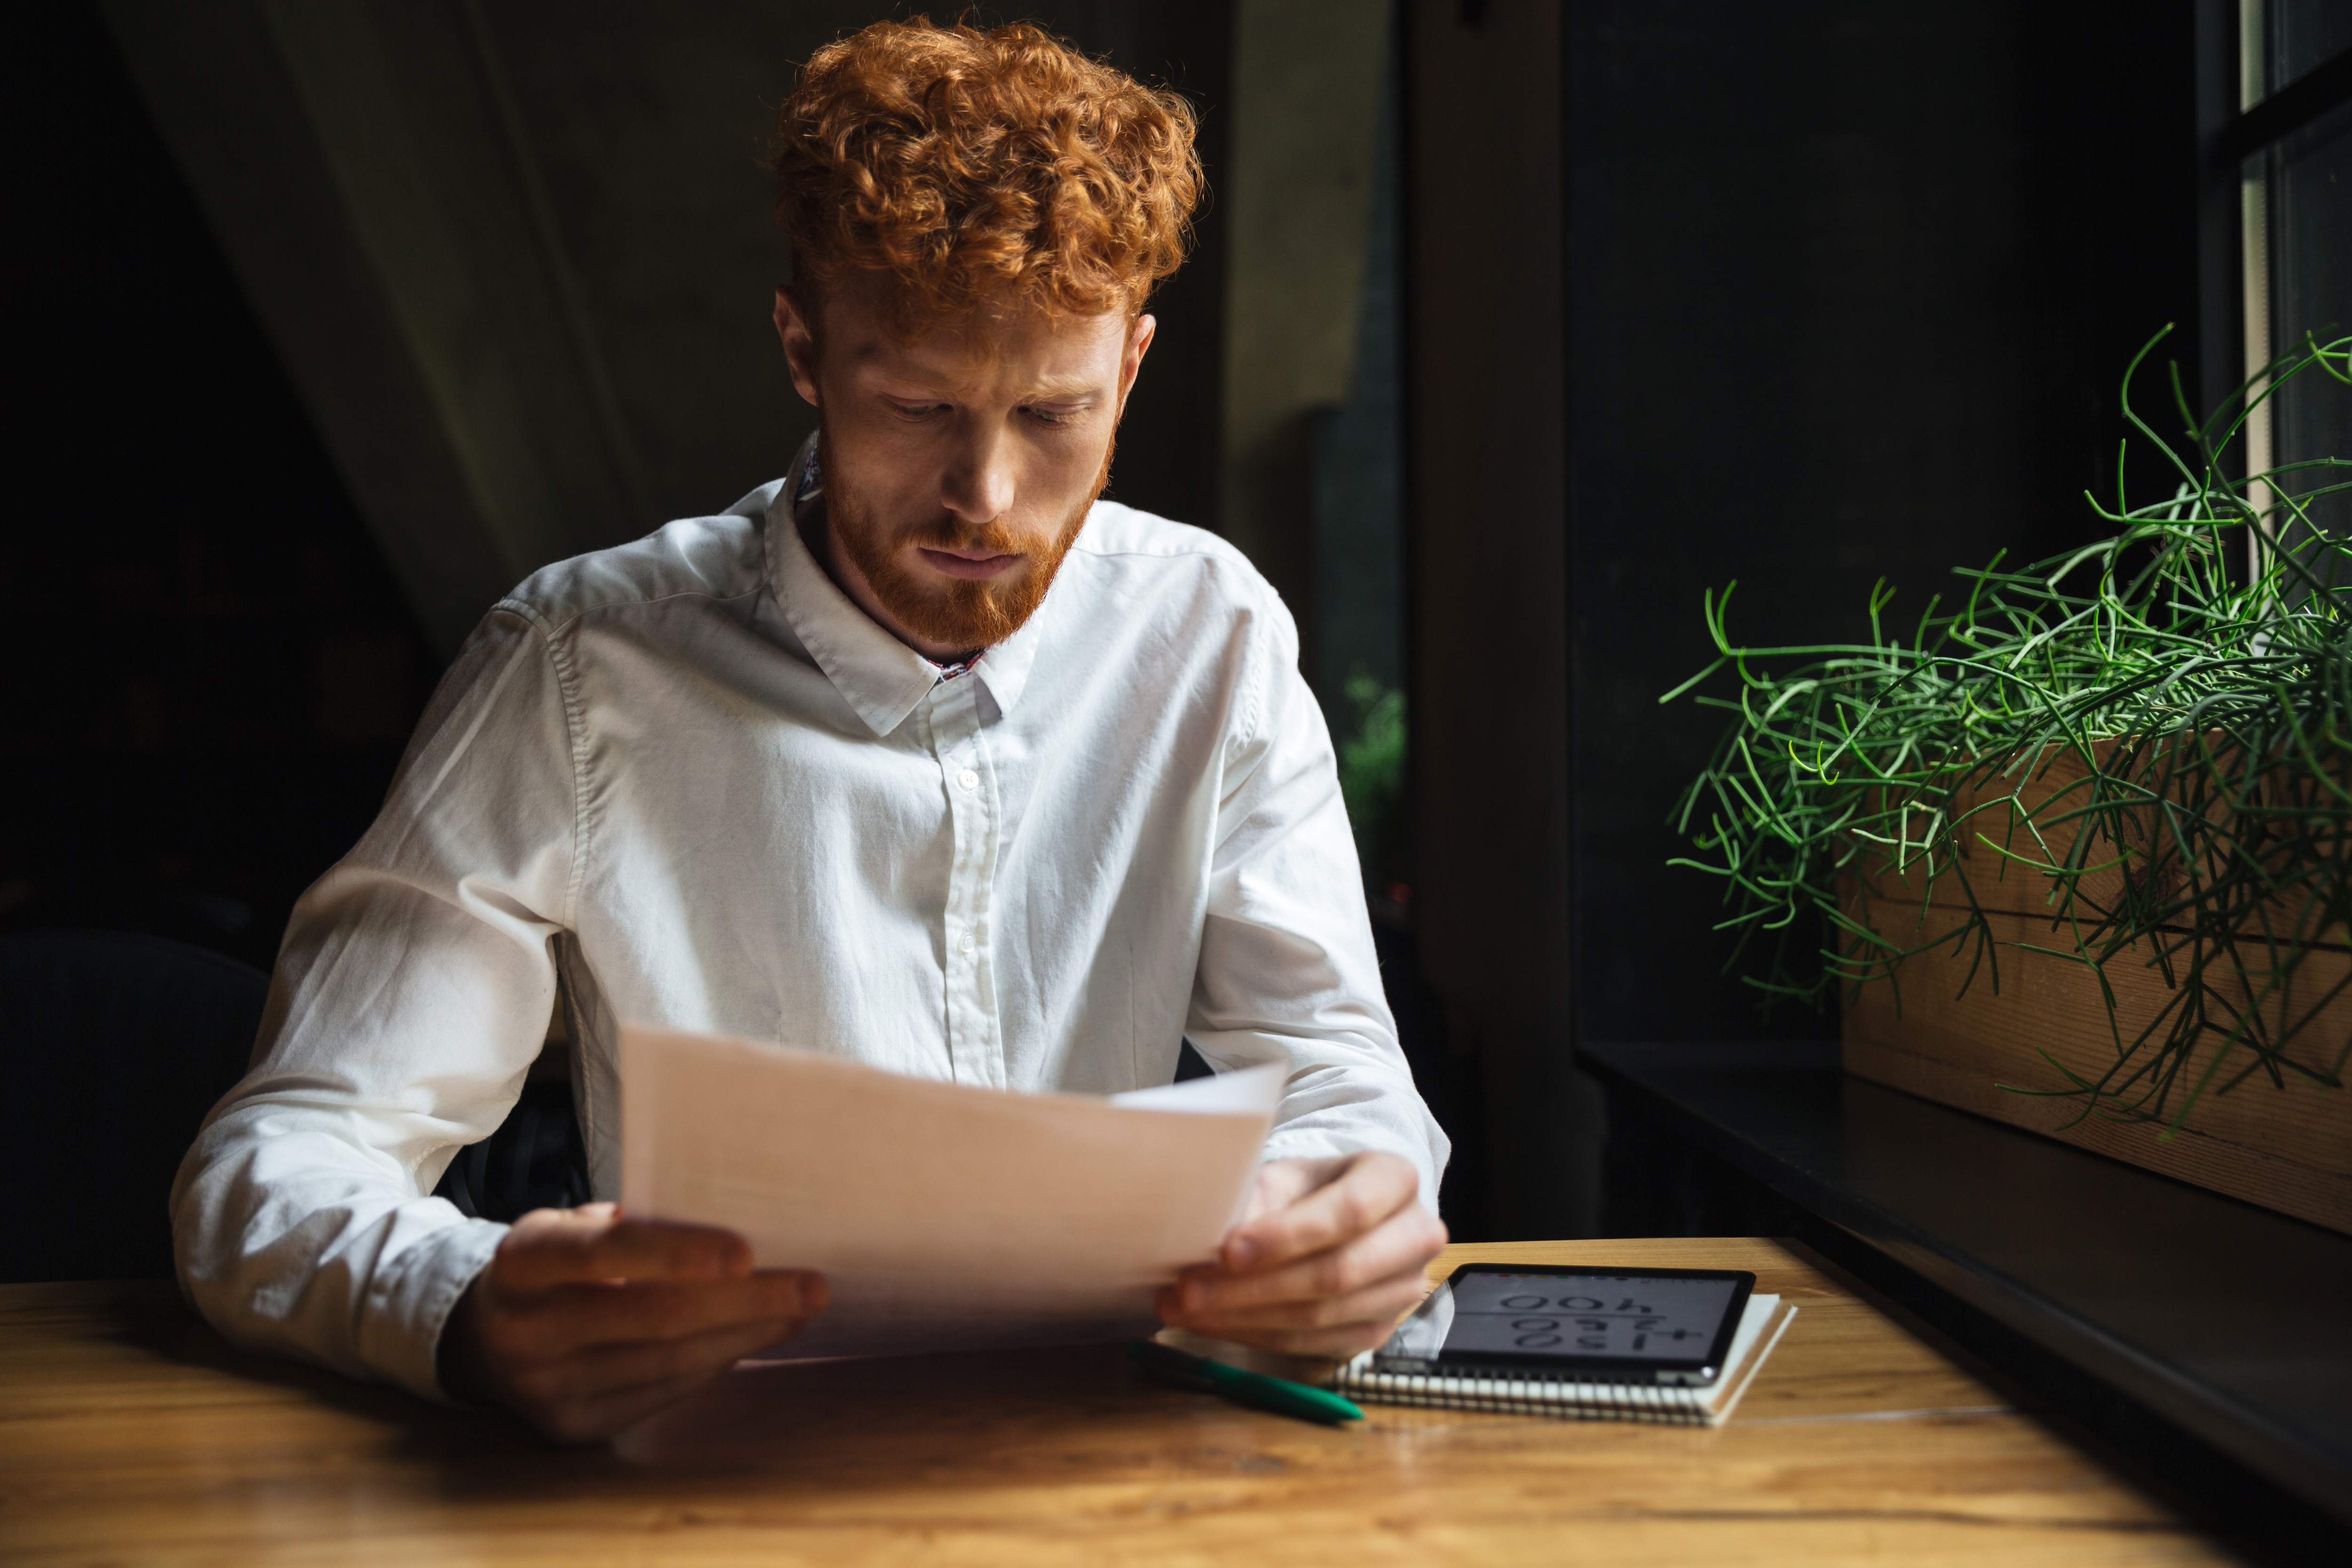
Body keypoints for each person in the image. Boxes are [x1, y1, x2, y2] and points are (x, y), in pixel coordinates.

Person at [173, 16, 1449, 1443]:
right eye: (917, 405)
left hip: (1111, 1464)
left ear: (1132, 370)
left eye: (1054, 413)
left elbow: (1342, 1080)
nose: (986, 498)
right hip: (721, 1474)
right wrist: (463, 1310)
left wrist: (1350, 1211)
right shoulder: (572, 672)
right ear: (802, 348)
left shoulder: (1212, 633)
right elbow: (281, 1161)